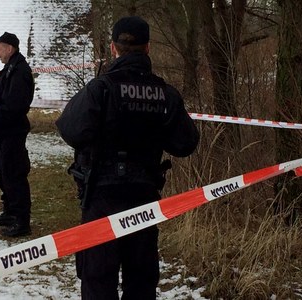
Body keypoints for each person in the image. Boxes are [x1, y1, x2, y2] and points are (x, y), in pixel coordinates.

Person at [55, 16, 199, 299]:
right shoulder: (165, 94)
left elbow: (70, 129)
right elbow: (186, 143)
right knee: (140, 279)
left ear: (113, 48)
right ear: (148, 48)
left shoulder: (101, 89)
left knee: (98, 278)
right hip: (143, 198)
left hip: (101, 196)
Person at [0, 32, 35, 237]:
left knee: (14, 175)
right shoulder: (11, 69)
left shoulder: (19, 71)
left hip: (11, 132)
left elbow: (14, 105)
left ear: (9, 48)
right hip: (4, 133)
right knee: (3, 171)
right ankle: (10, 211)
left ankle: (21, 220)